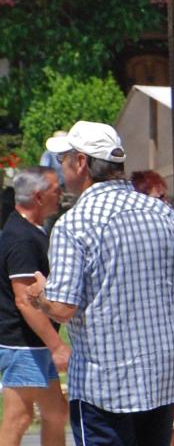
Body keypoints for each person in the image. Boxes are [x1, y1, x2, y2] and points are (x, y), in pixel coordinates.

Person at [27, 121, 174, 446]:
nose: (61, 167)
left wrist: (40, 296)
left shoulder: (75, 224)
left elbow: (63, 308)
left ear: (81, 163)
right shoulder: (164, 215)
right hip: (161, 380)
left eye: (64, 159)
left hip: (104, 388)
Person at [1, 167, 69, 446]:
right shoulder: (22, 238)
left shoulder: (28, 232)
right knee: (19, 416)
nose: (61, 195)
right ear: (39, 196)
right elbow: (24, 300)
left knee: (56, 413)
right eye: (56, 189)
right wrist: (57, 346)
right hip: (23, 344)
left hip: (31, 344)